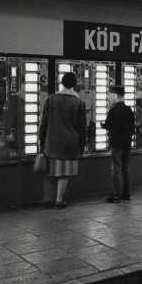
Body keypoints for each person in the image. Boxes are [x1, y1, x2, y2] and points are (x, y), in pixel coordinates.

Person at [38, 72, 87, 209]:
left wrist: (41, 141)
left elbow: (44, 123)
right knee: (64, 173)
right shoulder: (79, 102)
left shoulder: (51, 99)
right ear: (75, 84)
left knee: (50, 172)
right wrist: (82, 144)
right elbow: (82, 127)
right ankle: (59, 200)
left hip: (51, 142)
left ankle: (47, 198)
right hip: (70, 144)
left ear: (61, 83)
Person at [102, 85, 136, 203]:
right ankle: (126, 194)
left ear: (116, 96)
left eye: (110, 95)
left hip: (116, 142)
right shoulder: (128, 109)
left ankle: (116, 194)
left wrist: (102, 125)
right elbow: (132, 127)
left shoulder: (113, 110)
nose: (108, 97)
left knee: (116, 167)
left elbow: (108, 125)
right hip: (127, 142)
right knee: (125, 167)